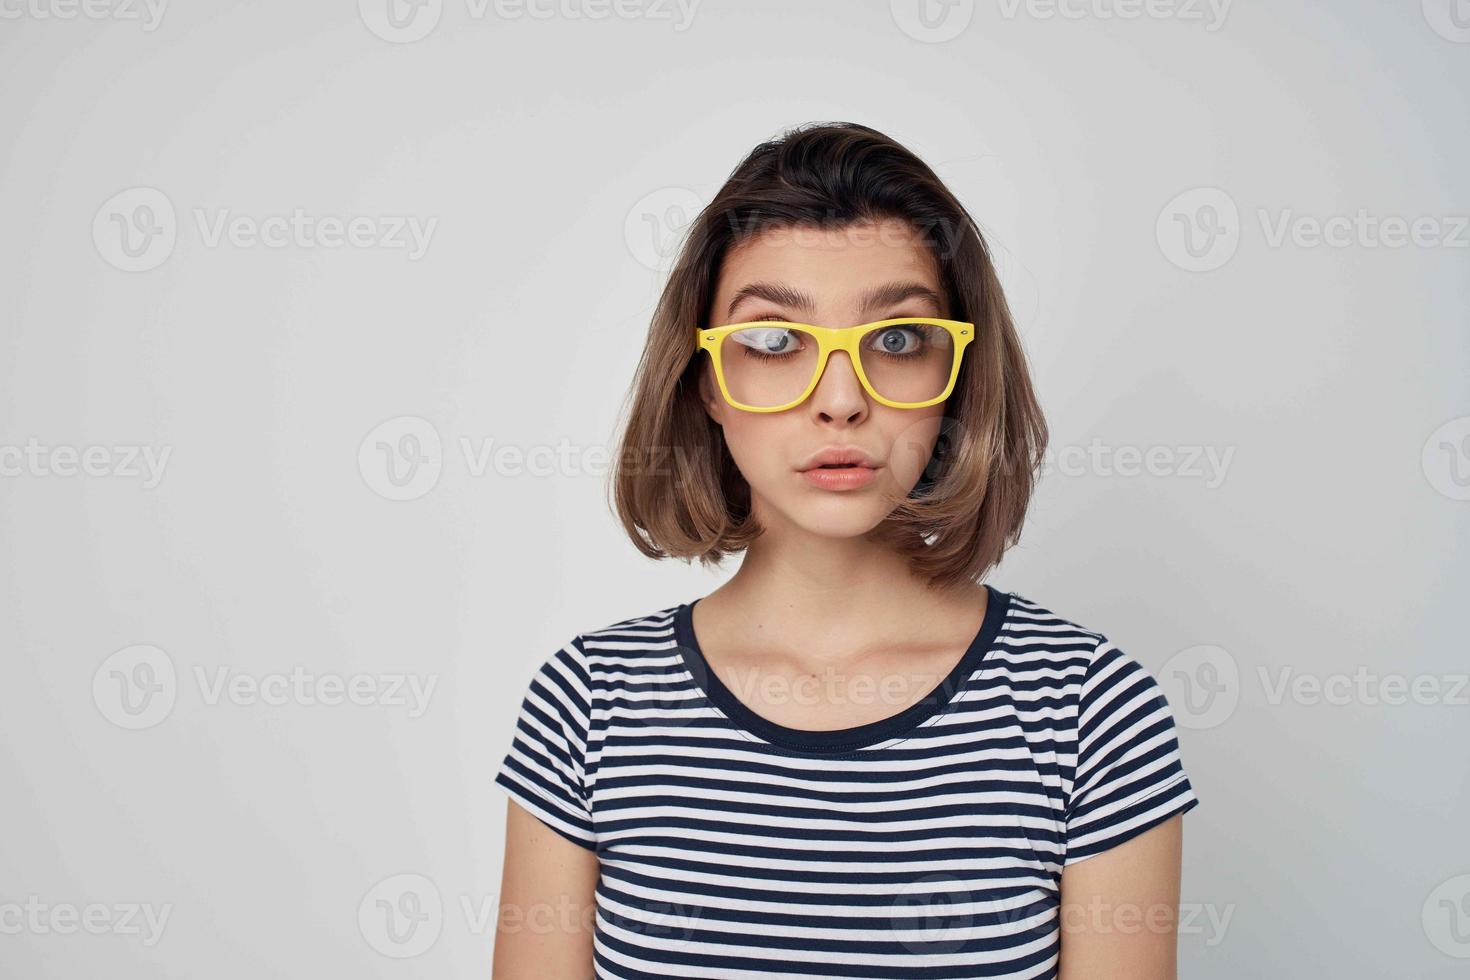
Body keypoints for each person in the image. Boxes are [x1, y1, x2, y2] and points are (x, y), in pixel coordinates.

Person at [492, 121, 1200, 980]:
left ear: (958, 378)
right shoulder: (590, 706)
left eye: (897, 340)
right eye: (774, 340)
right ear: (708, 382)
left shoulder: (1090, 712)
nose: (840, 400)